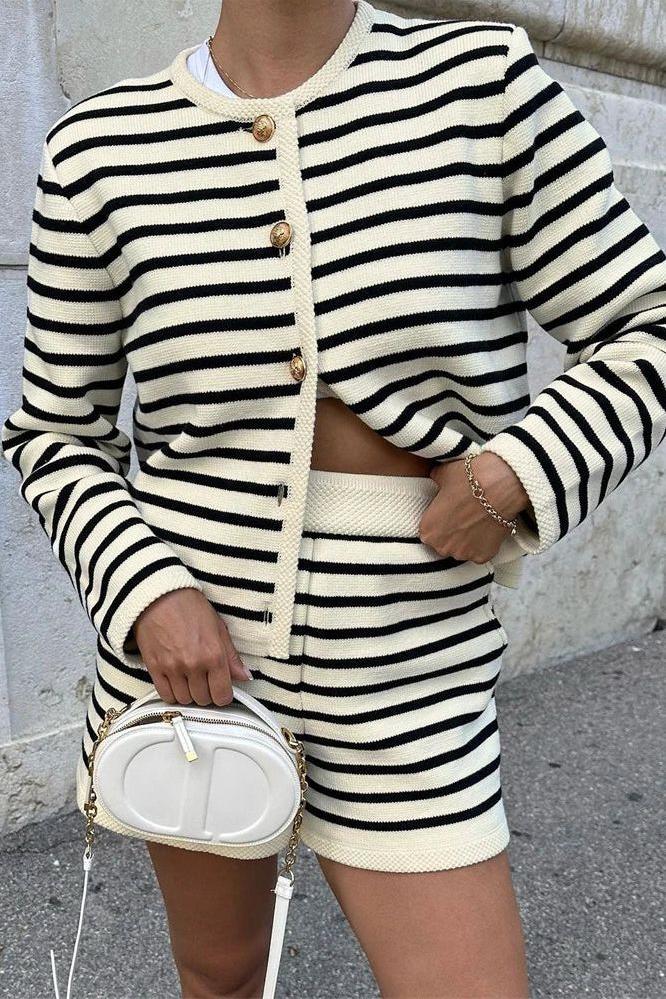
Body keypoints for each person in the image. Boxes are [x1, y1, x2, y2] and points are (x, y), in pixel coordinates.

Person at [2, 1, 665, 996]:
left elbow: (647, 323)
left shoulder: (480, 86)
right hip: (187, 671)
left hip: (412, 664)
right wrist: (144, 592)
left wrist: (516, 472)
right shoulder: (99, 150)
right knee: (220, 976)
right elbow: (55, 434)